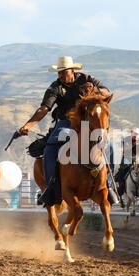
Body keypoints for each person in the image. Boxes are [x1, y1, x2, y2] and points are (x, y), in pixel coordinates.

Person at [18, 56, 113, 207]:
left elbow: (107, 92)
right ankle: (51, 189)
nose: (60, 75)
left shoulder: (87, 79)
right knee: (50, 149)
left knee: (109, 145)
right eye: (59, 72)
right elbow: (44, 108)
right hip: (65, 122)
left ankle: (107, 186)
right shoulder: (55, 87)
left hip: (87, 121)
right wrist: (28, 125)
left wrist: (94, 90)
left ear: (73, 71)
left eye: (63, 72)